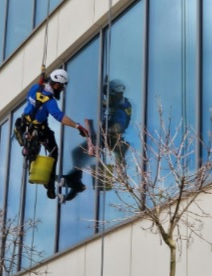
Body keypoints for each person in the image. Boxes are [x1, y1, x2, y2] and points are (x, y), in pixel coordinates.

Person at [14, 69, 88, 200]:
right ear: (57, 85)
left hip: (25, 124)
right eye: (61, 87)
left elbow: (37, 90)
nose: (61, 90)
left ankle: (28, 146)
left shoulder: (35, 88)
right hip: (40, 128)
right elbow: (60, 117)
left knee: (34, 151)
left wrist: (42, 81)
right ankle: (49, 185)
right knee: (54, 151)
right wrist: (77, 126)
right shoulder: (50, 101)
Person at [62, 78, 132, 202]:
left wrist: (107, 130)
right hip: (105, 137)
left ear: (115, 94)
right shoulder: (118, 104)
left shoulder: (121, 109)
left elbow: (119, 125)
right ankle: (76, 181)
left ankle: (76, 182)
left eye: (109, 95)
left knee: (81, 154)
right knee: (78, 154)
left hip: (110, 138)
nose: (108, 97)